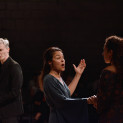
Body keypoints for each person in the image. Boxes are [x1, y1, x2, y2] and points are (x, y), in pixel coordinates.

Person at [39, 47, 92, 123]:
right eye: (58, 58)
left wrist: (78, 75)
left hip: (63, 117)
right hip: (57, 118)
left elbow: (67, 94)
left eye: (63, 58)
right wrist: (86, 100)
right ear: (49, 62)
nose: (62, 60)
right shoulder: (49, 79)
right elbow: (62, 101)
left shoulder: (59, 78)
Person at [91, 35, 123, 123]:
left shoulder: (108, 72)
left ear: (110, 52)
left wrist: (95, 101)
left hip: (111, 117)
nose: (102, 53)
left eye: (104, 50)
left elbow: (103, 103)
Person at [0, 38, 23, 123]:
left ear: (8, 49)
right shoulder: (2, 66)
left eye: (0, 50)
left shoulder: (14, 66)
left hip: (10, 111)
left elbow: (15, 92)